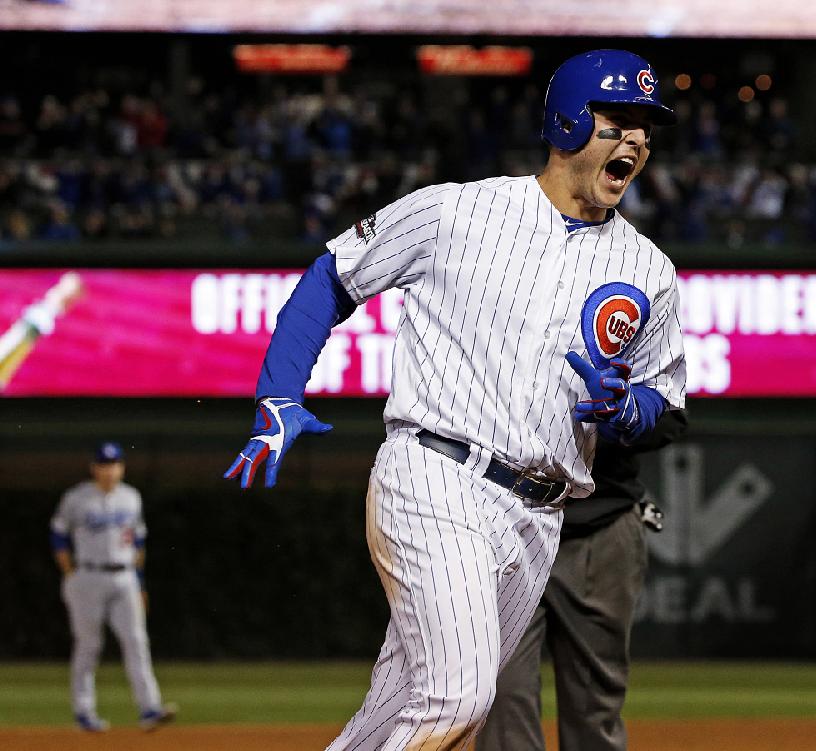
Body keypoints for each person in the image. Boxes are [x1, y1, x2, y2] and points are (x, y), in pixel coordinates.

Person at [224, 48, 687, 750]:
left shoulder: (647, 269)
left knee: (400, 707)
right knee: (459, 694)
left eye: (646, 127)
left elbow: (664, 397)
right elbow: (332, 275)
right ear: (565, 120)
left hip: (540, 516)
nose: (637, 140)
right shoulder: (457, 211)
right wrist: (279, 393)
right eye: (618, 119)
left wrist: (625, 411)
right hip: (438, 475)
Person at [476, 410, 687, 751]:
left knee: (593, 708)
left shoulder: (624, 353)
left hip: (600, 526)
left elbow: (669, 416)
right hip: (503, 528)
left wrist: (624, 412)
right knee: (500, 697)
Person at [50, 441, 178, 733]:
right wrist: (69, 572)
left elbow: (139, 542)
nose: (109, 470)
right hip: (88, 576)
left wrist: (140, 582)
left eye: (114, 464)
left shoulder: (131, 497)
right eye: (104, 464)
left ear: (121, 467)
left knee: (136, 641)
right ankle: (84, 713)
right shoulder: (77, 498)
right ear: (94, 468)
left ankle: (150, 709)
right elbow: (57, 536)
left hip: (125, 577)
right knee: (88, 645)